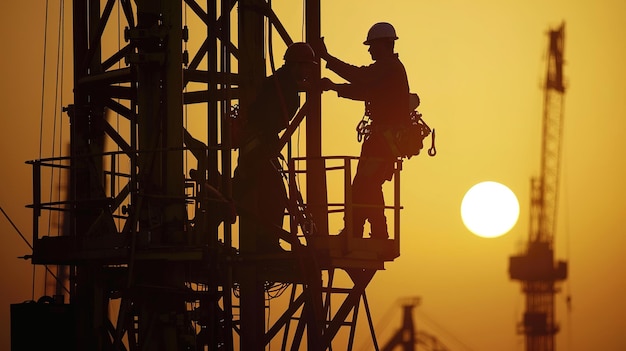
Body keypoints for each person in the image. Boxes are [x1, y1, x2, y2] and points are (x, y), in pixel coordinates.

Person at [317, 22, 410, 239]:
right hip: (382, 140)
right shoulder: (387, 71)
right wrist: (335, 87)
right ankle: (363, 231)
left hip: (384, 142)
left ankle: (365, 232)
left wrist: (327, 58)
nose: (369, 50)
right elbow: (364, 90)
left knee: (364, 185)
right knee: (365, 185)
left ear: (384, 45)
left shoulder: (388, 67)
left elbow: (361, 78)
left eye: (372, 46)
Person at [233, 42, 317, 253]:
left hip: (257, 148)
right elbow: (285, 94)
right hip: (260, 148)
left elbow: (288, 87)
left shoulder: (279, 83)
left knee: (238, 191)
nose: (307, 72)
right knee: (275, 196)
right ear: (295, 65)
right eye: (305, 67)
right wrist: (313, 87)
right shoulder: (282, 86)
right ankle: (267, 243)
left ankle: (209, 222)